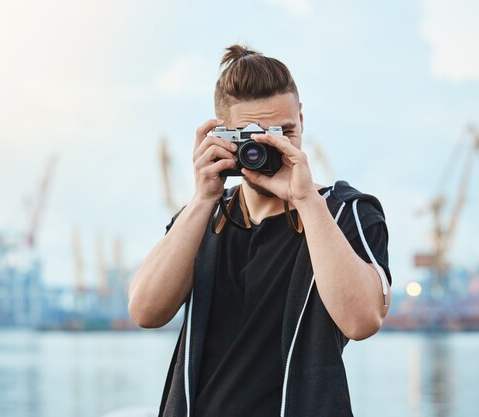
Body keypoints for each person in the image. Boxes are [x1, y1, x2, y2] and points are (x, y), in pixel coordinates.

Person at [128, 45, 392, 417]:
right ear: (221, 134)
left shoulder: (345, 212)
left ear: (302, 118)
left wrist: (305, 198)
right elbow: (145, 311)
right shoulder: (203, 216)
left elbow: (363, 321)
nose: (272, 146)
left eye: (285, 131)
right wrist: (203, 198)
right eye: (254, 136)